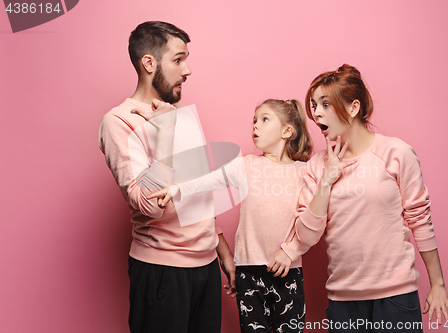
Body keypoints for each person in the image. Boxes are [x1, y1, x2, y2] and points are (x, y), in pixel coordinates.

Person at [295, 64, 448, 332]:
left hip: (396, 299)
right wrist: (327, 179)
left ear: (353, 108)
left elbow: (419, 218)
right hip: (343, 301)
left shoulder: (395, 152)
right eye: (314, 105)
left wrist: (437, 284)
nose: (316, 113)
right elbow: (307, 236)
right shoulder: (316, 166)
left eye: (325, 104)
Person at [97, 21, 235, 333]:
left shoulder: (179, 112)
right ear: (149, 63)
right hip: (162, 270)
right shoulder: (118, 121)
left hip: (206, 267)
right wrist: (166, 134)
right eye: (178, 59)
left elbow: (196, 192)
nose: (187, 70)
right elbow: (149, 205)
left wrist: (222, 249)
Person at [150, 99, 314, 332]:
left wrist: (292, 251)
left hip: (289, 272)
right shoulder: (246, 165)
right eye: (254, 121)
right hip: (248, 272)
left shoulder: (304, 172)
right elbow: (209, 180)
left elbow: (311, 222)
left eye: (264, 120)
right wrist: (176, 189)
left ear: (287, 131)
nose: (255, 126)